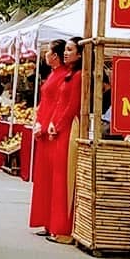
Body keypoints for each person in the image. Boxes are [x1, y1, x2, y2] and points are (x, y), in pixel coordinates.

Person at [44, 36, 83, 244]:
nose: (65, 53)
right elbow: (60, 103)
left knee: (65, 179)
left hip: (69, 130)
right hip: (59, 128)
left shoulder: (79, 76)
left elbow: (72, 106)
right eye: (65, 50)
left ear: (80, 54)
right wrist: (53, 123)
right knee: (58, 178)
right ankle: (57, 226)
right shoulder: (69, 74)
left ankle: (64, 229)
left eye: (70, 50)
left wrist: (57, 126)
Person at [28, 38, 67, 236]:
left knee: (51, 177)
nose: (46, 55)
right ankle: (46, 220)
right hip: (43, 127)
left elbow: (60, 103)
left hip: (50, 130)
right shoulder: (54, 74)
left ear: (55, 56)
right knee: (44, 178)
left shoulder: (65, 75)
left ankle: (52, 222)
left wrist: (46, 124)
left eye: (49, 51)